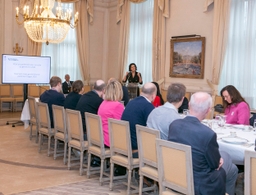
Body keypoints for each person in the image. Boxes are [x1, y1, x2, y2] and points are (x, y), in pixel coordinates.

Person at [168, 92, 238, 195]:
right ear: (208, 110)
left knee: (232, 167)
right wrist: (219, 160)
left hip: (175, 177)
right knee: (230, 165)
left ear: (189, 105)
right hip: (200, 186)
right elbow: (215, 165)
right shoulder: (208, 134)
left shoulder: (174, 125)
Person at [121, 82, 156, 158]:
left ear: (141, 92)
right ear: (153, 96)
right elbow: (153, 129)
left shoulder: (131, 102)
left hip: (124, 143)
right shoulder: (148, 107)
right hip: (136, 147)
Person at [98, 79, 124, 147]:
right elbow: (121, 125)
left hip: (101, 137)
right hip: (110, 140)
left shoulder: (103, 103)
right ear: (119, 91)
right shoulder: (118, 105)